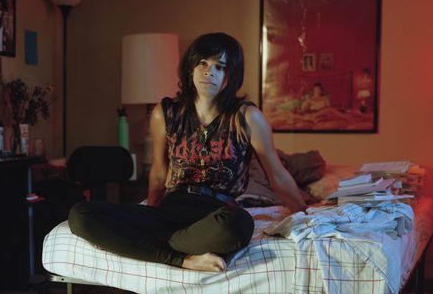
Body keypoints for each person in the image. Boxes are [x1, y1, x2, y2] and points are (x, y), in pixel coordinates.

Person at [68, 32, 306, 272]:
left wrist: (305, 213)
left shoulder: (247, 117)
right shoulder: (165, 113)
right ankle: (182, 258)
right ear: (190, 67)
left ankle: (152, 246)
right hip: (173, 207)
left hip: (216, 214)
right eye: (202, 63)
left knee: (239, 224)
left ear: (231, 75)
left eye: (220, 67)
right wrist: (150, 215)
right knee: (80, 214)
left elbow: (277, 175)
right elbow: (159, 173)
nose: (209, 72)